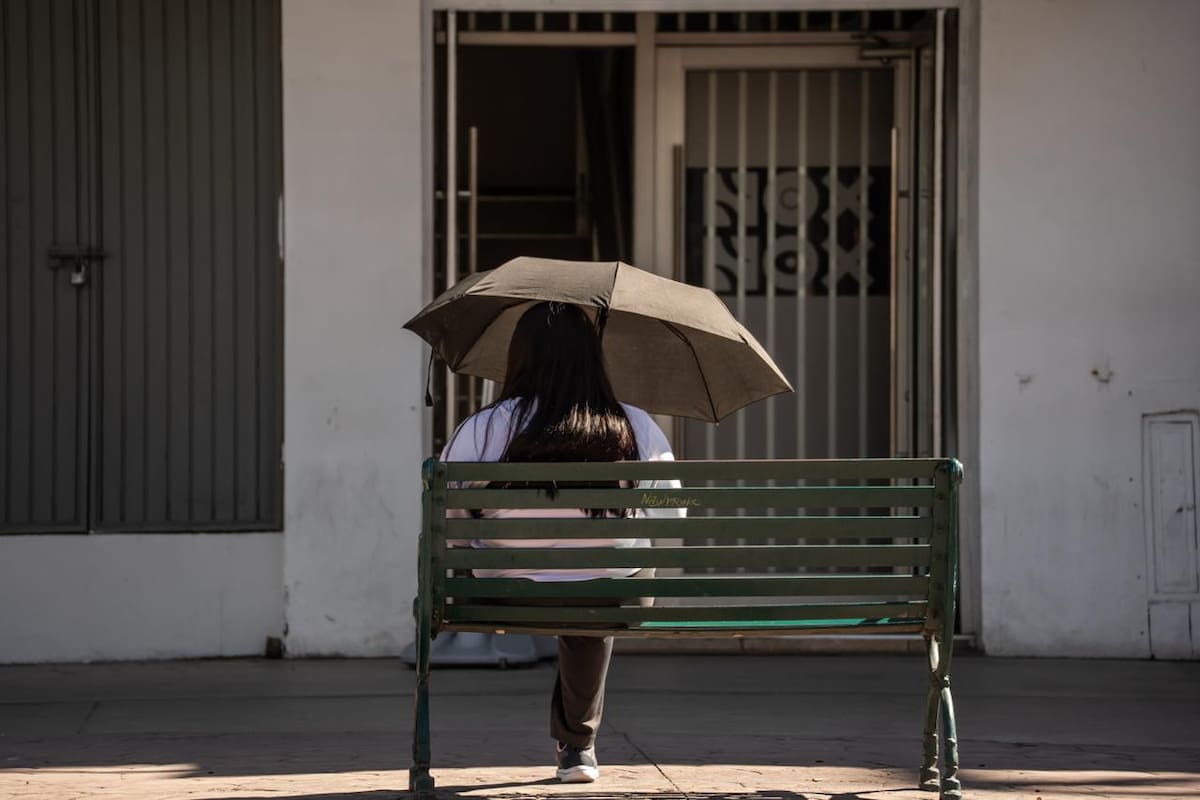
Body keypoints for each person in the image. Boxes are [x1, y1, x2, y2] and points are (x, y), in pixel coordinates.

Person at [440, 301, 684, 783]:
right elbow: (674, 513)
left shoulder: (484, 427)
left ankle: (575, 744)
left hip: (504, 596)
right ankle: (578, 748)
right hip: (609, 597)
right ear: (591, 357)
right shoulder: (634, 424)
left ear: (519, 357)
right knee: (607, 575)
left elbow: (449, 517)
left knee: (507, 559)